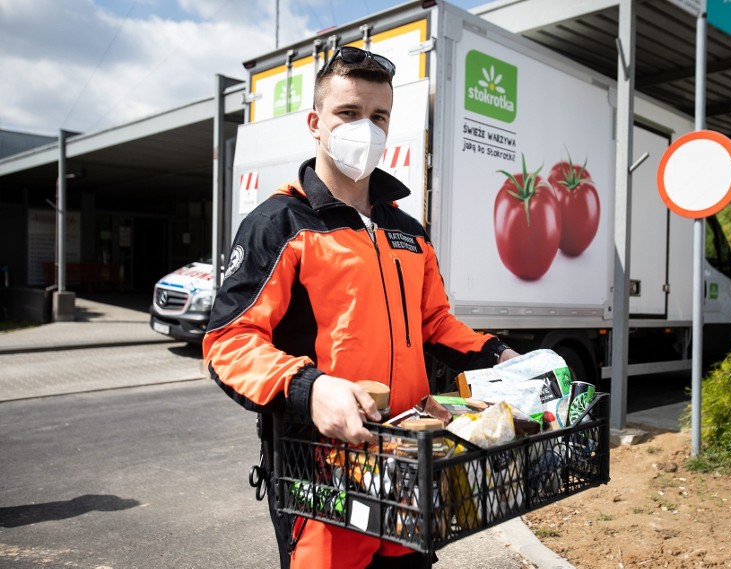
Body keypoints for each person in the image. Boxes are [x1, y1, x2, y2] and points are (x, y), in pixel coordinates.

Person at [203, 46, 519, 569]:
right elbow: (228, 342)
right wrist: (310, 388)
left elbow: (435, 322)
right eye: (348, 113)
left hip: (410, 464)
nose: (364, 129)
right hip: (322, 473)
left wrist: (498, 356)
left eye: (378, 117)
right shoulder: (280, 224)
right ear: (315, 123)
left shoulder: (407, 229)